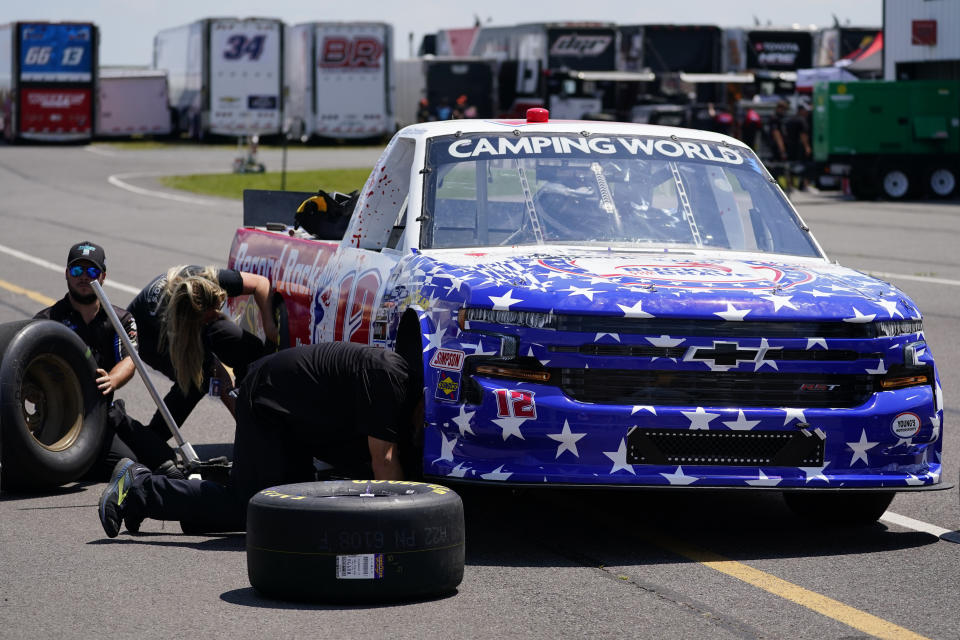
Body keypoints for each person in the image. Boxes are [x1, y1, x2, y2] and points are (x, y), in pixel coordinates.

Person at [97, 341, 424, 537]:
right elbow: (385, 464)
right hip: (269, 398)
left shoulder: (398, 387)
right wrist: (407, 529)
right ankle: (139, 488)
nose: (425, 429)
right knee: (251, 505)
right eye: (428, 423)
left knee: (290, 510)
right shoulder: (389, 378)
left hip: (294, 414)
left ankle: (190, 505)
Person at [34, 242, 178, 479]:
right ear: (66, 273)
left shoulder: (121, 319)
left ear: (102, 277)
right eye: (77, 271)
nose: (83, 277)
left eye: (91, 271)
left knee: (167, 461)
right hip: (64, 418)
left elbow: (130, 360)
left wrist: (111, 379)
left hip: (106, 413)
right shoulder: (46, 321)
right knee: (129, 466)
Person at [126, 265, 278, 441]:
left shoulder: (207, 278)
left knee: (246, 346)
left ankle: (250, 401)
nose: (217, 315)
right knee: (196, 381)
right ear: (194, 319)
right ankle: (152, 439)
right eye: (211, 316)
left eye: (217, 309)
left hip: (189, 316)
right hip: (150, 339)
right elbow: (217, 375)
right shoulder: (167, 322)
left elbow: (260, 283)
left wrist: (269, 325)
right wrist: (249, 428)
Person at [784, 99, 813, 191]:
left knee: (789, 166)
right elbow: (803, 135)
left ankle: (790, 186)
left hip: (789, 147)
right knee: (804, 166)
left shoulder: (790, 119)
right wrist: (807, 147)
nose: (807, 113)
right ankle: (805, 185)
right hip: (798, 148)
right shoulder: (802, 120)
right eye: (805, 111)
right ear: (801, 110)